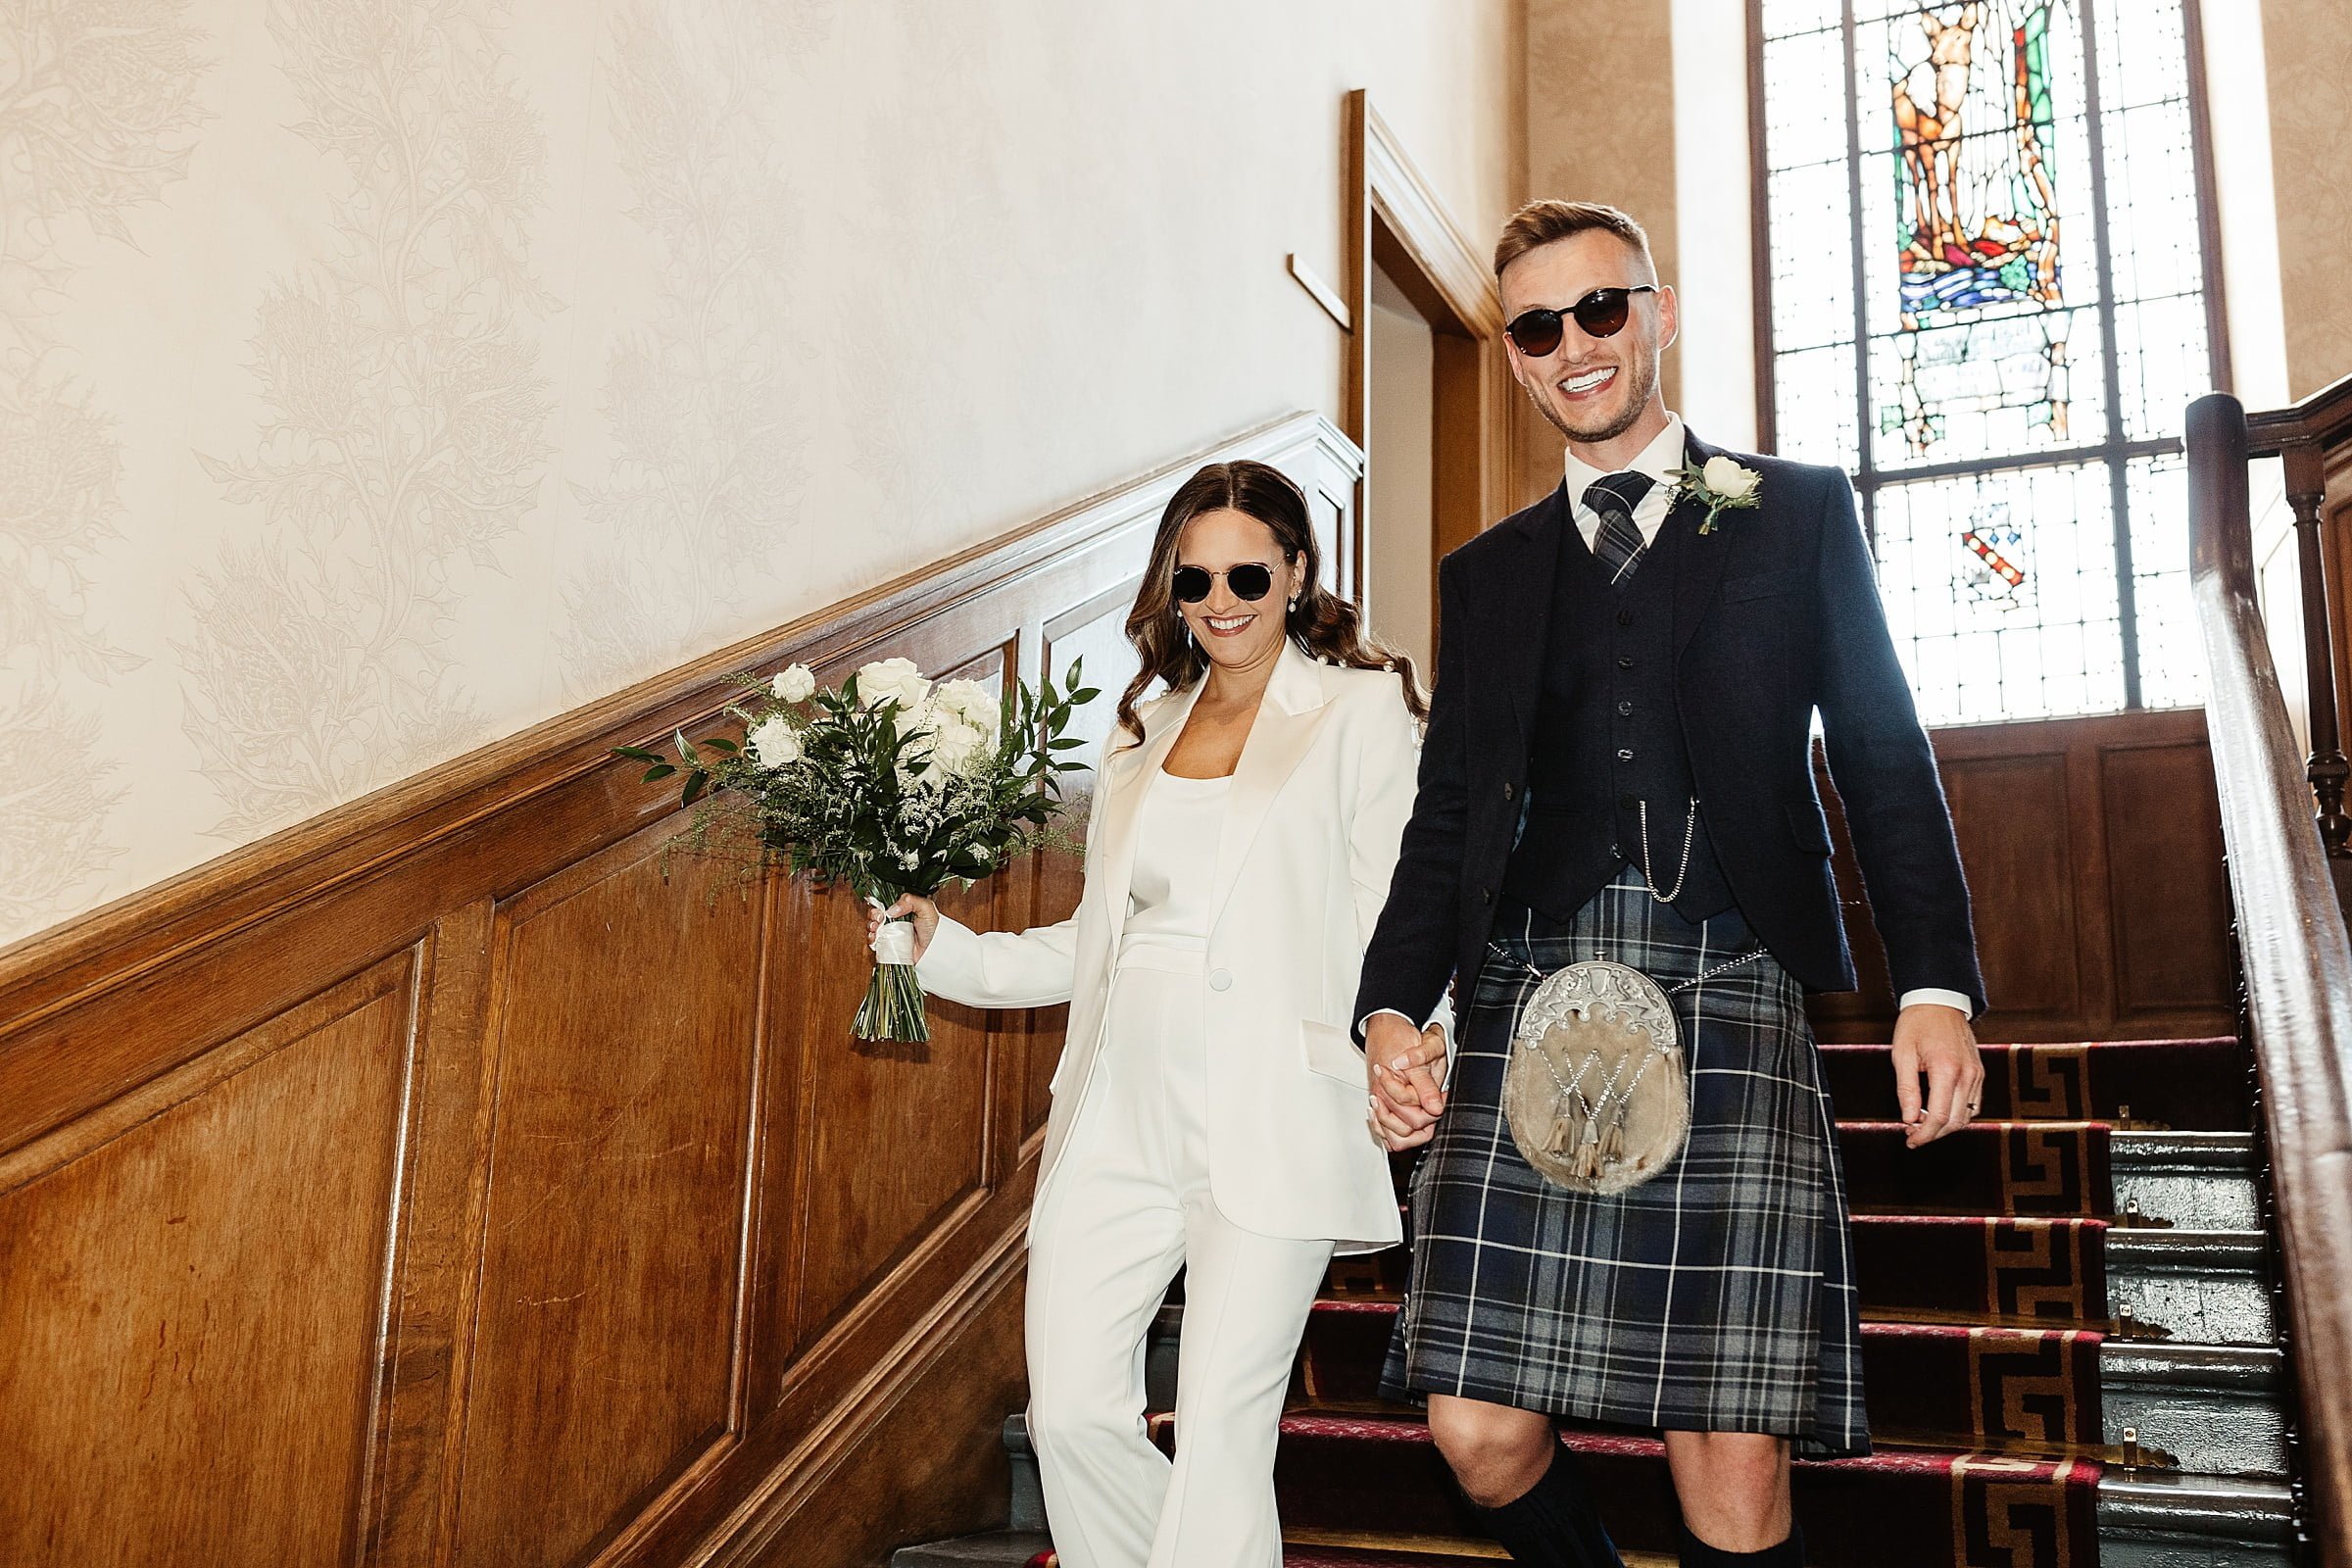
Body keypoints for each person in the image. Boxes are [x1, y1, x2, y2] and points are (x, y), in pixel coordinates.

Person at [1357, 200, 1987, 1568]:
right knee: (1473, 1426)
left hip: (1732, 970)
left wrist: (1933, 984)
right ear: (1517, 357)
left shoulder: (1795, 513)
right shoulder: (1488, 575)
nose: (1574, 345)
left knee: (1733, 1476)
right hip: (1531, 988)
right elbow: (1451, 811)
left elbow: (1881, 751)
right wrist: (1391, 1008)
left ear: (1659, 310)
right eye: (1538, 326)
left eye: (1600, 308)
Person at [867, 459, 1452, 1568]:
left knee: (1225, 1440)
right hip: (1118, 1108)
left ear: (1295, 569)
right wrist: (947, 949)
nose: (1220, 600)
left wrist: (1422, 1045)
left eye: (1245, 572)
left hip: (1279, 1106)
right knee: (1074, 1415)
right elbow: (1099, 940)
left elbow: (1405, 912)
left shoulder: (1363, 707)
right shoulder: (1143, 729)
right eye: (1193, 581)